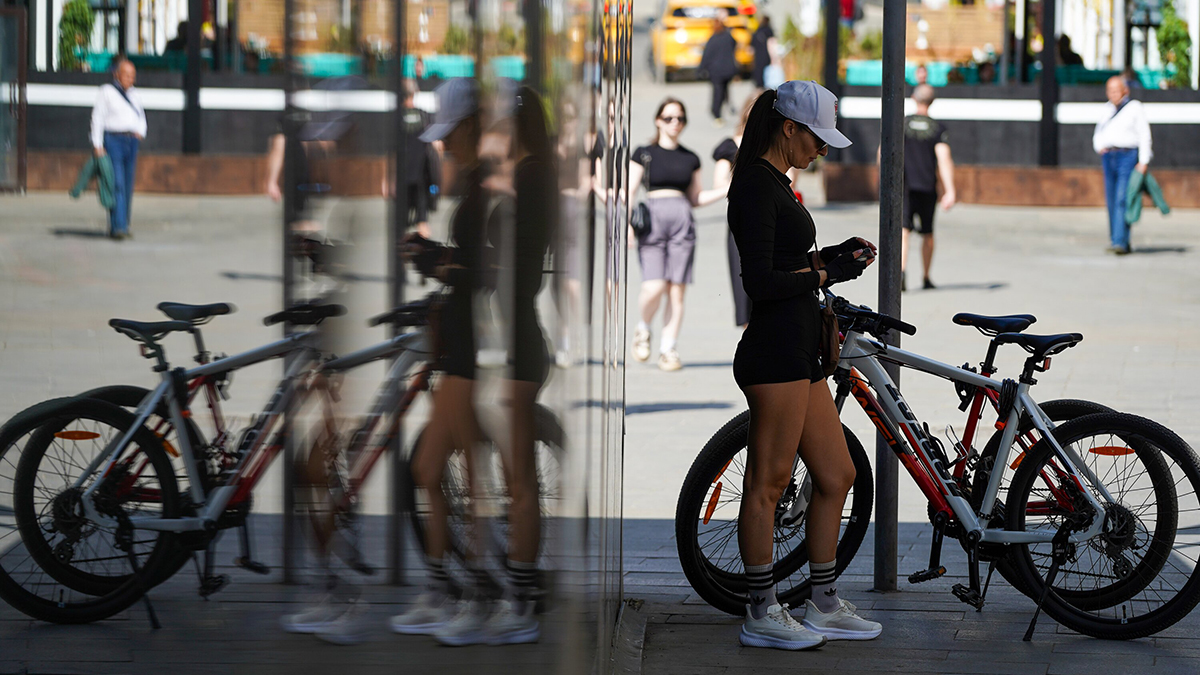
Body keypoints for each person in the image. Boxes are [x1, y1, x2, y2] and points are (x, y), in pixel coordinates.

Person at [728, 81, 881, 651]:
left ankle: (822, 602)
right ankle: (761, 611)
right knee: (767, 485)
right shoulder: (752, 186)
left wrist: (832, 257)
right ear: (788, 128)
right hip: (775, 354)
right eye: (818, 139)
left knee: (837, 475)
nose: (823, 150)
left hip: (802, 351)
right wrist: (824, 275)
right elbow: (760, 283)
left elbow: (788, 260)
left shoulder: (777, 183)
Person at [389, 78, 490, 644]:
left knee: (464, 478)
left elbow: (488, 269)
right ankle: (441, 589)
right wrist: (440, 259)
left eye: (450, 135)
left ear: (471, 127)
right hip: (457, 347)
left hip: (472, 351)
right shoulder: (476, 183)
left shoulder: (487, 187)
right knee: (429, 470)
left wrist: (438, 263)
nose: (444, 147)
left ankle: (471, 596)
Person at [629, 98, 728, 371]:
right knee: (654, 285)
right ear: (658, 120)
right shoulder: (643, 153)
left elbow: (695, 197)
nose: (675, 123)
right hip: (651, 221)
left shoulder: (690, 157)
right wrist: (626, 226)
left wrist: (726, 189)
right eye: (669, 118)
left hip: (683, 221)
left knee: (677, 291)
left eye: (680, 119)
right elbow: (628, 191)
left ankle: (668, 349)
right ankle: (643, 327)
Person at [900, 84, 955, 290]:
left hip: (904, 186)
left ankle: (902, 272)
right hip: (927, 187)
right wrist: (950, 190)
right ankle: (926, 277)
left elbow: (882, 152)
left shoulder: (902, 124)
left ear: (914, 98)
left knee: (903, 231)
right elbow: (944, 158)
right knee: (928, 233)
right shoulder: (937, 128)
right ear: (932, 101)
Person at [712, 95, 760, 328]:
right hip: (742, 225)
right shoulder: (731, 146)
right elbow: (719, 183)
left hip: (775, 222)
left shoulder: (780, 147)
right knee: (745, 297)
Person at [1093, 75, 1152, 255]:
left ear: (1125, 90)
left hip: (1128, 157)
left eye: (1116, 90)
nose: (1113, 94)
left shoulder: (1135, 108)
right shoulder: (1107, 109)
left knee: (1122, 198)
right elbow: (1098, 132)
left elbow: (1144, 134)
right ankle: (1116, 239)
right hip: (1109, 157)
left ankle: (1121, 241)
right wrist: (1099, 147)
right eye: (1110, 91)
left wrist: (1143, 161)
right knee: (1111, 199)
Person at [90, 57, 146, 240]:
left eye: (133, 75)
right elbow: (97, 117)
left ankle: (123, 223)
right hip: (113, 141)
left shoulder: (135, 94)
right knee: (117, 183)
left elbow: (141, 116)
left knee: (128, 184)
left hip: (131, 142)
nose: (131, 79)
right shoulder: (106, 91)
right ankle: (117, 226)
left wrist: (140, 132)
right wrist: (97, 145)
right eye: (127, 75)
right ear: (117, 74)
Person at [700, 19, 739, 126]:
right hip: (728, 70)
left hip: (716, 71)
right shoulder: (728, 37)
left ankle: (716, 113)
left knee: (717, 92)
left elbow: (706, 55)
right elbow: (735, 44)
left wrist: (701, 69)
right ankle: (728, 107)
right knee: (725, 90)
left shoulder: (712, 39)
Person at [750, 17, 776, 89]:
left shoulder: (756, 32)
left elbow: (751, 47)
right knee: (768, 73)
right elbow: (773, 44)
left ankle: (759, 87)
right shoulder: (769, 31)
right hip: (767, 56)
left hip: (758, 56)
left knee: (759, 73)